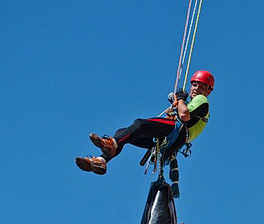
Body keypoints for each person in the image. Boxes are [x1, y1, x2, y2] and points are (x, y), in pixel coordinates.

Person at [76, 70, 214, 175]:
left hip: (177, 132)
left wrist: (180, 99)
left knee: (139, 124)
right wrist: (177, 102)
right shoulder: (194, 102)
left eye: (201, 87)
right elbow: (183, 112)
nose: (196, 89)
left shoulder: (202, 99)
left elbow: (184, 116)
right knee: (123, 133)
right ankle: (101, 161)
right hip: (171, 139)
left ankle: (112, 145)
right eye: (194, 85)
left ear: (208, 91)